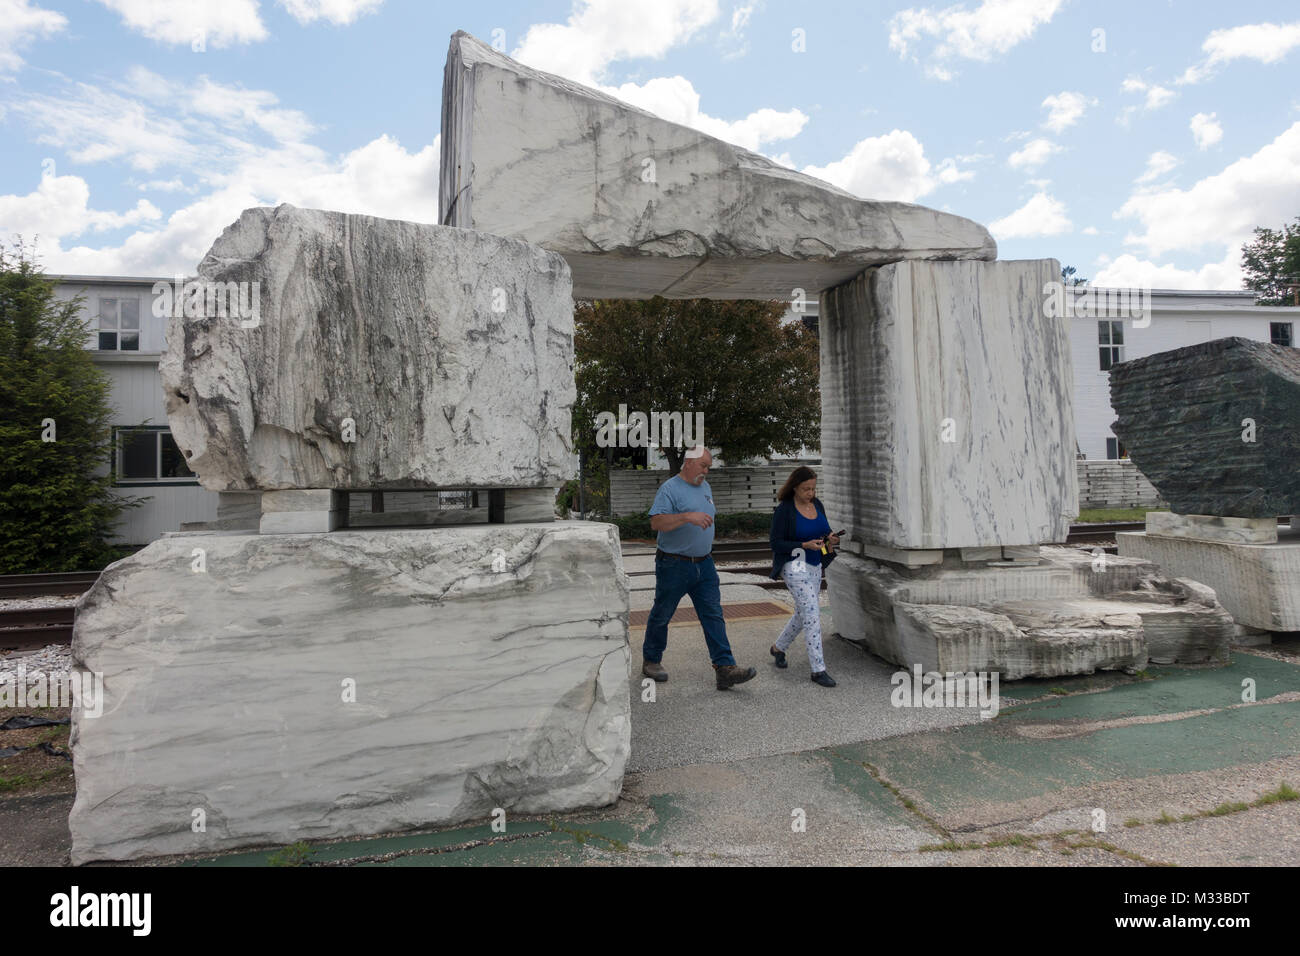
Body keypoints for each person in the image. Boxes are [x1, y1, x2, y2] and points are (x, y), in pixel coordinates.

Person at [642, 446, 757, 691]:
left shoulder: (705, 487)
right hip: (674, 564)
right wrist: (687, 516)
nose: (706, 471)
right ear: (688, 463)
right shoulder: (670, 489)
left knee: (713, 615)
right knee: (662, 614)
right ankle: (652, 660)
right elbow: (656, 522)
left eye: (708, 467)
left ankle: (724, 668)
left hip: (704, 564)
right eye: (703, 466)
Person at [769, 465, 840, 687]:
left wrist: (830, 540)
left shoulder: (817, 505)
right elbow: (776, 543)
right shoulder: (785, 510)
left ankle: (778, 648)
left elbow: (824, 533)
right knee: (812, 614)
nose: (810, 493)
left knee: (804, 613)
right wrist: (803, 544)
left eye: (813, 488)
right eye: (806, 489)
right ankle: (818, 670)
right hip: (794, 565)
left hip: (815, 565)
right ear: (794, 488)